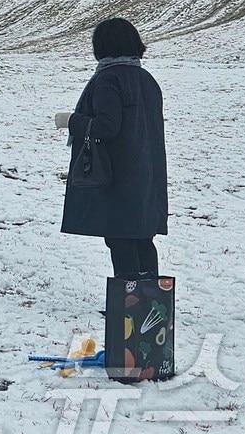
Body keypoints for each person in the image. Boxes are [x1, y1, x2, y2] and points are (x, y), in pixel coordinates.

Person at [59, 17, 167, 278]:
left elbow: (107, 127)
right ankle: (150, 302)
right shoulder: (146, 79)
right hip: (147, 170)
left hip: (118, 173)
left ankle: (128, 306)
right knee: (142, 237)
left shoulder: (108, 78)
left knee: (120, 239)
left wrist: (70, 121)